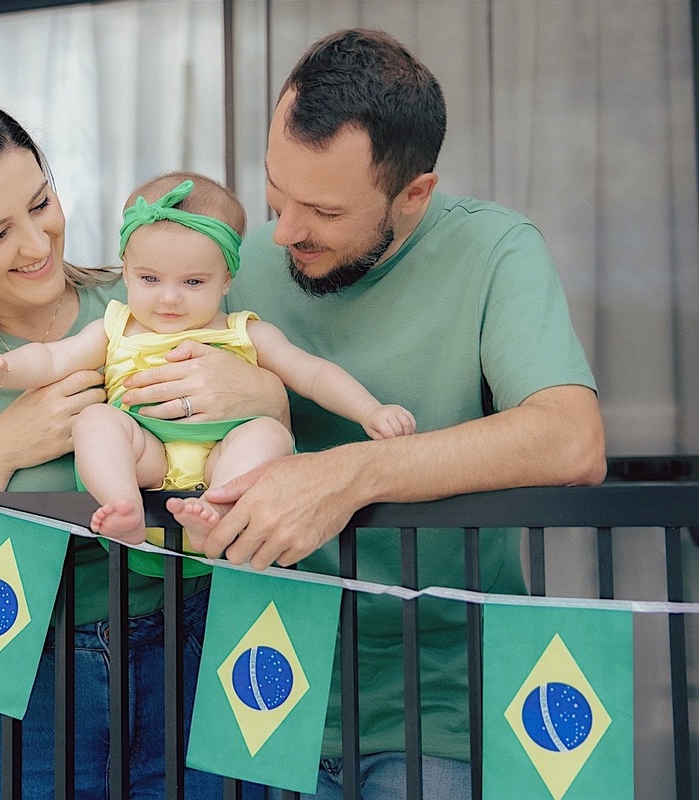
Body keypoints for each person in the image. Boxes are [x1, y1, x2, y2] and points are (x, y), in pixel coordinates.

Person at [116, 29, 607, 800]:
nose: (281, 234)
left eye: (320, 210)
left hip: (438, 700)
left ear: (414, 193)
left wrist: (350, 472)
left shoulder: (496, 251)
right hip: (256, 679)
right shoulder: (225, 261)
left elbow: (572, 437)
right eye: (276, 193)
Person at [0, 98, 279, 799]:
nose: (38, 244)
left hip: (198, 639)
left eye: (41, 203)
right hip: (15, 664)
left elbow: (270, 412)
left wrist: (266, 399)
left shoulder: (146, 300)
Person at [0, 171, 415, 554]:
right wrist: (1, 369)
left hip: (223, 459)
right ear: (126, 268)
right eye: (149, 278)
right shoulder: (116, 326)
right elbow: (52, 359)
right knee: (96, 421)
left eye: (193, 281)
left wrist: (370, 410)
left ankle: (218, 513)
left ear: (226, 279)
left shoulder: (243, 332)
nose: (169, 298)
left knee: (267, 433)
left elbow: (313, 374)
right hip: (147, 457)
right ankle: (123, 507)